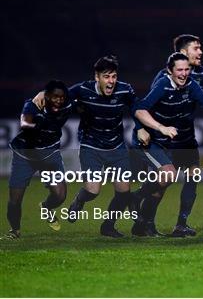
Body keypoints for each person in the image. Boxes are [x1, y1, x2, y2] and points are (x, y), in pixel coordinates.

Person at [132, 34, 203, 237]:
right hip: (163, 139)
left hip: (186, 138)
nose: (201, 52)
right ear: (182, 53)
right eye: (196, 48)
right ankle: (143, 218)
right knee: (163, 181)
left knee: (193, 177)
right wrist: (141, 127)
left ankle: (180, 224)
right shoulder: (163, 79)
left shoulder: (199, 76)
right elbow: (143, 107)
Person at [34, 56, 138, 238]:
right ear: (97, 77)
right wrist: (45, 93)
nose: (111, 81)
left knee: (123, 192)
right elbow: (62, 94)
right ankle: (79, 201)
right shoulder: (83, 89)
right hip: (91, 145)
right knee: (93, 190)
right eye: (107, 76)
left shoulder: (125, 90)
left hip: (117, 146)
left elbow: (139, 108)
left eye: (114, 76)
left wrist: (143, 128)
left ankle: (108, 226)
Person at [5, 80, 72, 239]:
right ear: (46, 96)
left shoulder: (67, 104)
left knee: (60, 195)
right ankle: (15, 230)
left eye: (62, 97)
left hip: (50, 155)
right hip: (25, 156)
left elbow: (79, 93)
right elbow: (24, 123)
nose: (58, 100)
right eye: (54, 97)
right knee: (15, 199)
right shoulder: (33, 105)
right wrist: (37, 124)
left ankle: (46, 207)